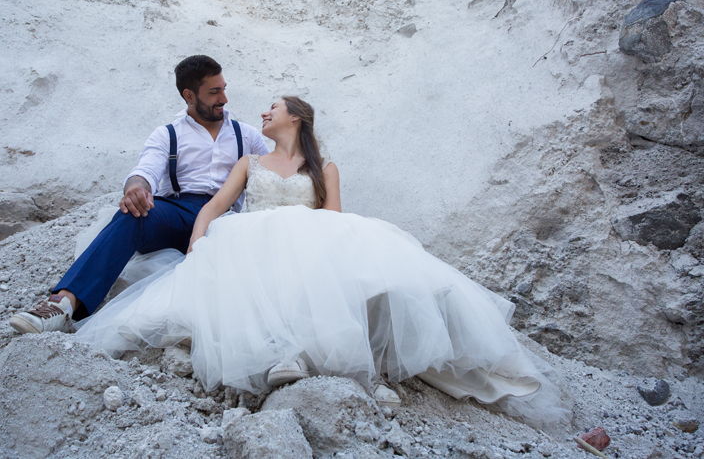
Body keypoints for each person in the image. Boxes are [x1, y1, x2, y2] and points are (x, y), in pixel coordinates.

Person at [75, 96, 567, 426]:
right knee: (238, 277)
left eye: (273, 109)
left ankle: (297, 354)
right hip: (248, 238)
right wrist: (199, 242)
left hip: (308, 236)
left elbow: (332, 216)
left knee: (319, 265)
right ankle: (277, 353)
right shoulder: (250, 161)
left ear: (296, 118)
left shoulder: (323, 166)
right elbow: (213, 206)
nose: (263, 115)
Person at [9, 55, 268, 334]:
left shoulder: (247, 135)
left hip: (224, 218)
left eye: (224, 88)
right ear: (189, 95)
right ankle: (63, 303)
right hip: (177, 213)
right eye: (214, 92)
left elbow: (271, 174)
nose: (224, 98)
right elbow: (145, 170)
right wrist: (136, 188)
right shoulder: (167, 134)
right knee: (133, 214)